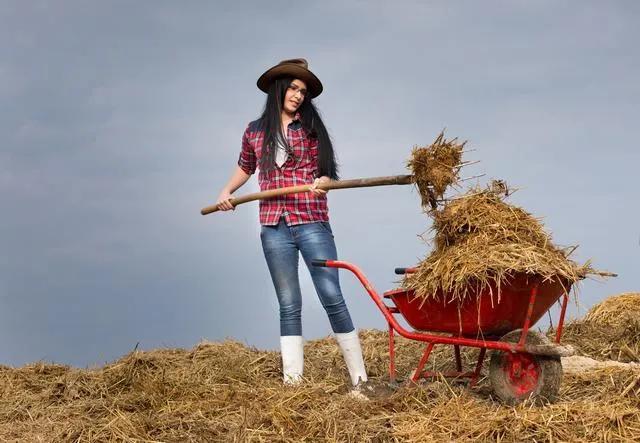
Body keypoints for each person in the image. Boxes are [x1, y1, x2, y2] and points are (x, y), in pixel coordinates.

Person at [215, 58, 368, 390]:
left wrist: (324, 181)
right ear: (278, 88)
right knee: (288, 303)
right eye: (293, 88)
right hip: (274, 227)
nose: (298, 95)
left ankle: (360, 381)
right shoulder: (254, 131)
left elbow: (325, 169)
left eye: (303, 91)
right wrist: (227, 192)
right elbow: (246, 166)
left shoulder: (310, 127)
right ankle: (293, 386)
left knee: (331, 295)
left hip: (311, 220)